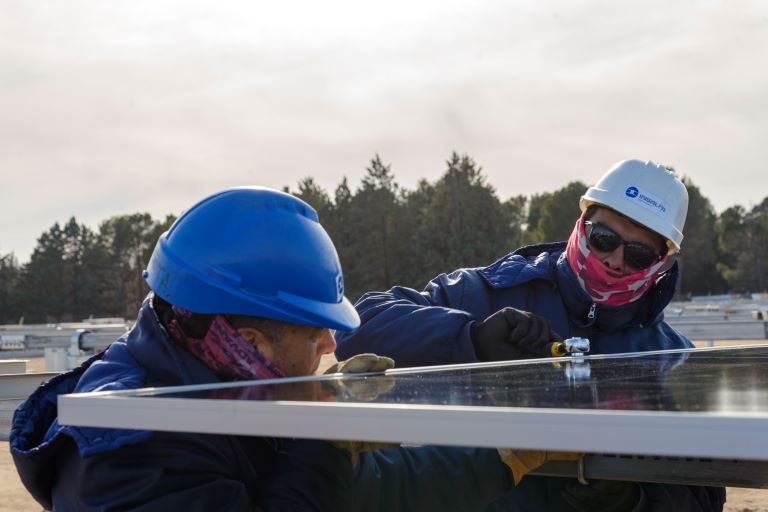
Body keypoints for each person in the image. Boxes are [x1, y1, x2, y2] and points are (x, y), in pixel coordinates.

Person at [11, 186, 514, 512]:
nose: (331, 344)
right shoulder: (132, 453)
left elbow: (370, 489)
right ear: (249, 344)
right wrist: (323, 439)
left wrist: (502, 456)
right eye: (314, 330)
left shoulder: (227, 389)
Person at [335, 160, 726, 511]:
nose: (614, 260)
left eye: (638, 254)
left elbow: (706, 496)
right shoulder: (486, 294)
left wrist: (636, 500)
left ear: (662, 262)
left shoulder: (674, 359)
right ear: (582, 222)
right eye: (604, 238)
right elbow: (358, 326)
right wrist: (470, 339)